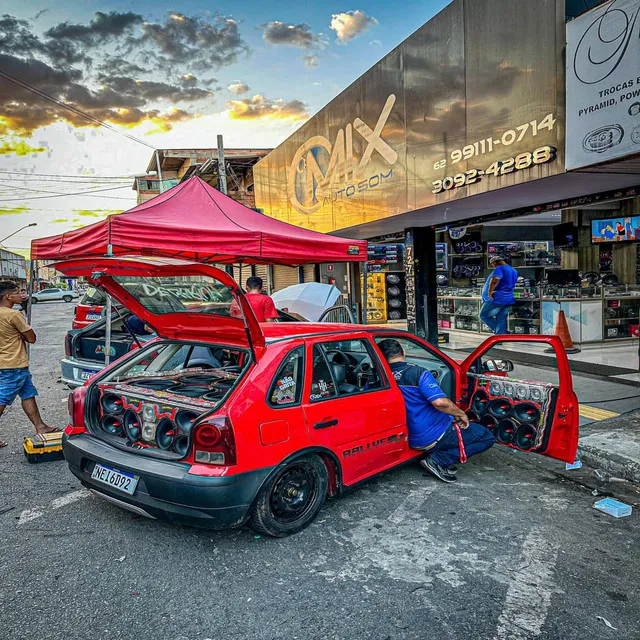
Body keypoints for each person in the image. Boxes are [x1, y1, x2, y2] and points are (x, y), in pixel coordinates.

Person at [378, 339, 495, 483]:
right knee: (486, 437)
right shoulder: (417, 372)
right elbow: (440, 403)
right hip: (429, 435)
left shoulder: (376, 378)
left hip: (401, 435)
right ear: (403, 352)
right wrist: (461, 413)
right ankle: (439, 460)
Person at [0, 280, 58, 447]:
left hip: (7, 363)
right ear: (8, 296)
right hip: (13, 364)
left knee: (28, 394)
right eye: (18, 292)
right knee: (3, 400)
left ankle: (40, 426)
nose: (21, 295)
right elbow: (32, 338)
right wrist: (22, 335)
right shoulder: (13, 315)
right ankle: (40, 426)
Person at [479, 255, 518, 335]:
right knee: (501, 318)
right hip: (508, 298)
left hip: (497, 298)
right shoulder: (513, 270)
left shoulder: (499, 268)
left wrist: (489, 292)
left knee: (483, 316)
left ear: (495, 262)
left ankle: (501, 332)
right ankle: (501, 336)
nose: (493, 266)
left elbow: (495, 279)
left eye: (492, 264)